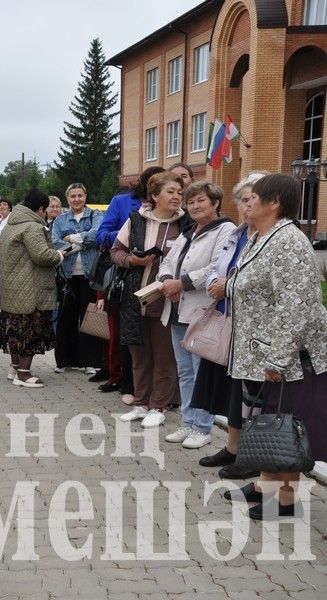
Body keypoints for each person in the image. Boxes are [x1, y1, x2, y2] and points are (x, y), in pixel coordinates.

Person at [222, 173, 327, 520]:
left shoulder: (289, 242)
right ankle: (267, 482)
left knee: (284, 423)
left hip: (285, 355)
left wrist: (279, 358)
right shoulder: (262, 237)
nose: (247, 204)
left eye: (254, 198)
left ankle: (281, 499)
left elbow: (294, 306)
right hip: (261, 349)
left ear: (275, 202)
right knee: (270, 418)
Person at [193, 173, 266, 478]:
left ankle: (251, 456)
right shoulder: (238, 234)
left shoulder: (267, 236)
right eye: (243, 200)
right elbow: (218, 267)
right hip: (227, 320)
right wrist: (214, 282)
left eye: (252, 200)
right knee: (233, 392)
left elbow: (257, 280)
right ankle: (232, 448)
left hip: (252, 328)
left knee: (252, 396)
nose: (247, 206)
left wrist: (229, 286)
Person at [157, 182, 236, 450]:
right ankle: (188, 422)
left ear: (215, 203)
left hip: (202, 311)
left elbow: (218, 266)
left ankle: (202, 427)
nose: (194, 206)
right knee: (185, 372)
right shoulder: (189, 231)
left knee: (202, 373)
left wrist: (183, 283)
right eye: (190, 202)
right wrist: (167, 280)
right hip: (178, 309)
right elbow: (167, 261)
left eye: (200, 200)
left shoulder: (226, 230)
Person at [112, 172, 191, 428]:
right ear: (154, 195)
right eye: (170, 192)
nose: (176, 196)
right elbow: (116, 252)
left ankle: (159, 406)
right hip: (136, 298)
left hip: (169, 299)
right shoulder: (136, 220)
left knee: (165, 355)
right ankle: (140, 403)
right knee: (139, 353)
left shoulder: (187, 224)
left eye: (179, 192)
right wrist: (134, 260)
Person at [95, 166, 166, 404]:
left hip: (160, 287)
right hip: (128, 280)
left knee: (159, 346)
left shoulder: (179, 216)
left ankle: (160, 396)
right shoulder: (123, 203)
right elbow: (103, 236)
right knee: (128, 337)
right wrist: (135, 235)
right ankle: (127, 384)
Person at [0, 190, 66, 388]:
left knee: (14, 329)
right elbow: (42, 255)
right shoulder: (33, 226)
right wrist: (59, 256)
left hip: (12, 287)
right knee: (29, 330)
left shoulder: (11, 224)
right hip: (30, 287)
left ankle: (15, 367)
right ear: (41, 209)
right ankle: (24, 374)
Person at [51, 184, 104, 376]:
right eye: (72, 196)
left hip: (90, 275)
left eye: (80, 195)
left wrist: (72, 238)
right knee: (66, 318)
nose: (76, 199)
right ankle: (65, 360)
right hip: (68, 274)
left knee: (89, 318)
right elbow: (55, 241)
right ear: (68, 199)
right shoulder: (60, 220)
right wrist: (82, 244)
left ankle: (91, 361)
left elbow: (97, 236)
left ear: (85, 196)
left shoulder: (95, 215)